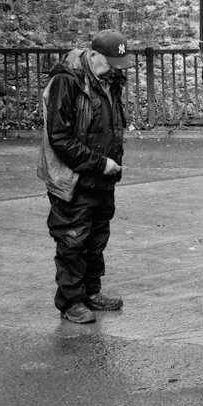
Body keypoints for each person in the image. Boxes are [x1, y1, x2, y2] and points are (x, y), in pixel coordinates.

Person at [37, 29, 131, 324]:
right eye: (111, 63)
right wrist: (99, 163)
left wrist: (107, 166)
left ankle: (91, 292)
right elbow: (60, 137)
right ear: (92, 55)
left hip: (101, 177)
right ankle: (71, 302)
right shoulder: (66, 81)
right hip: (73, 179)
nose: (115, 70)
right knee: (72, 240)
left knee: (96, 237)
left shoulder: (107, 79)